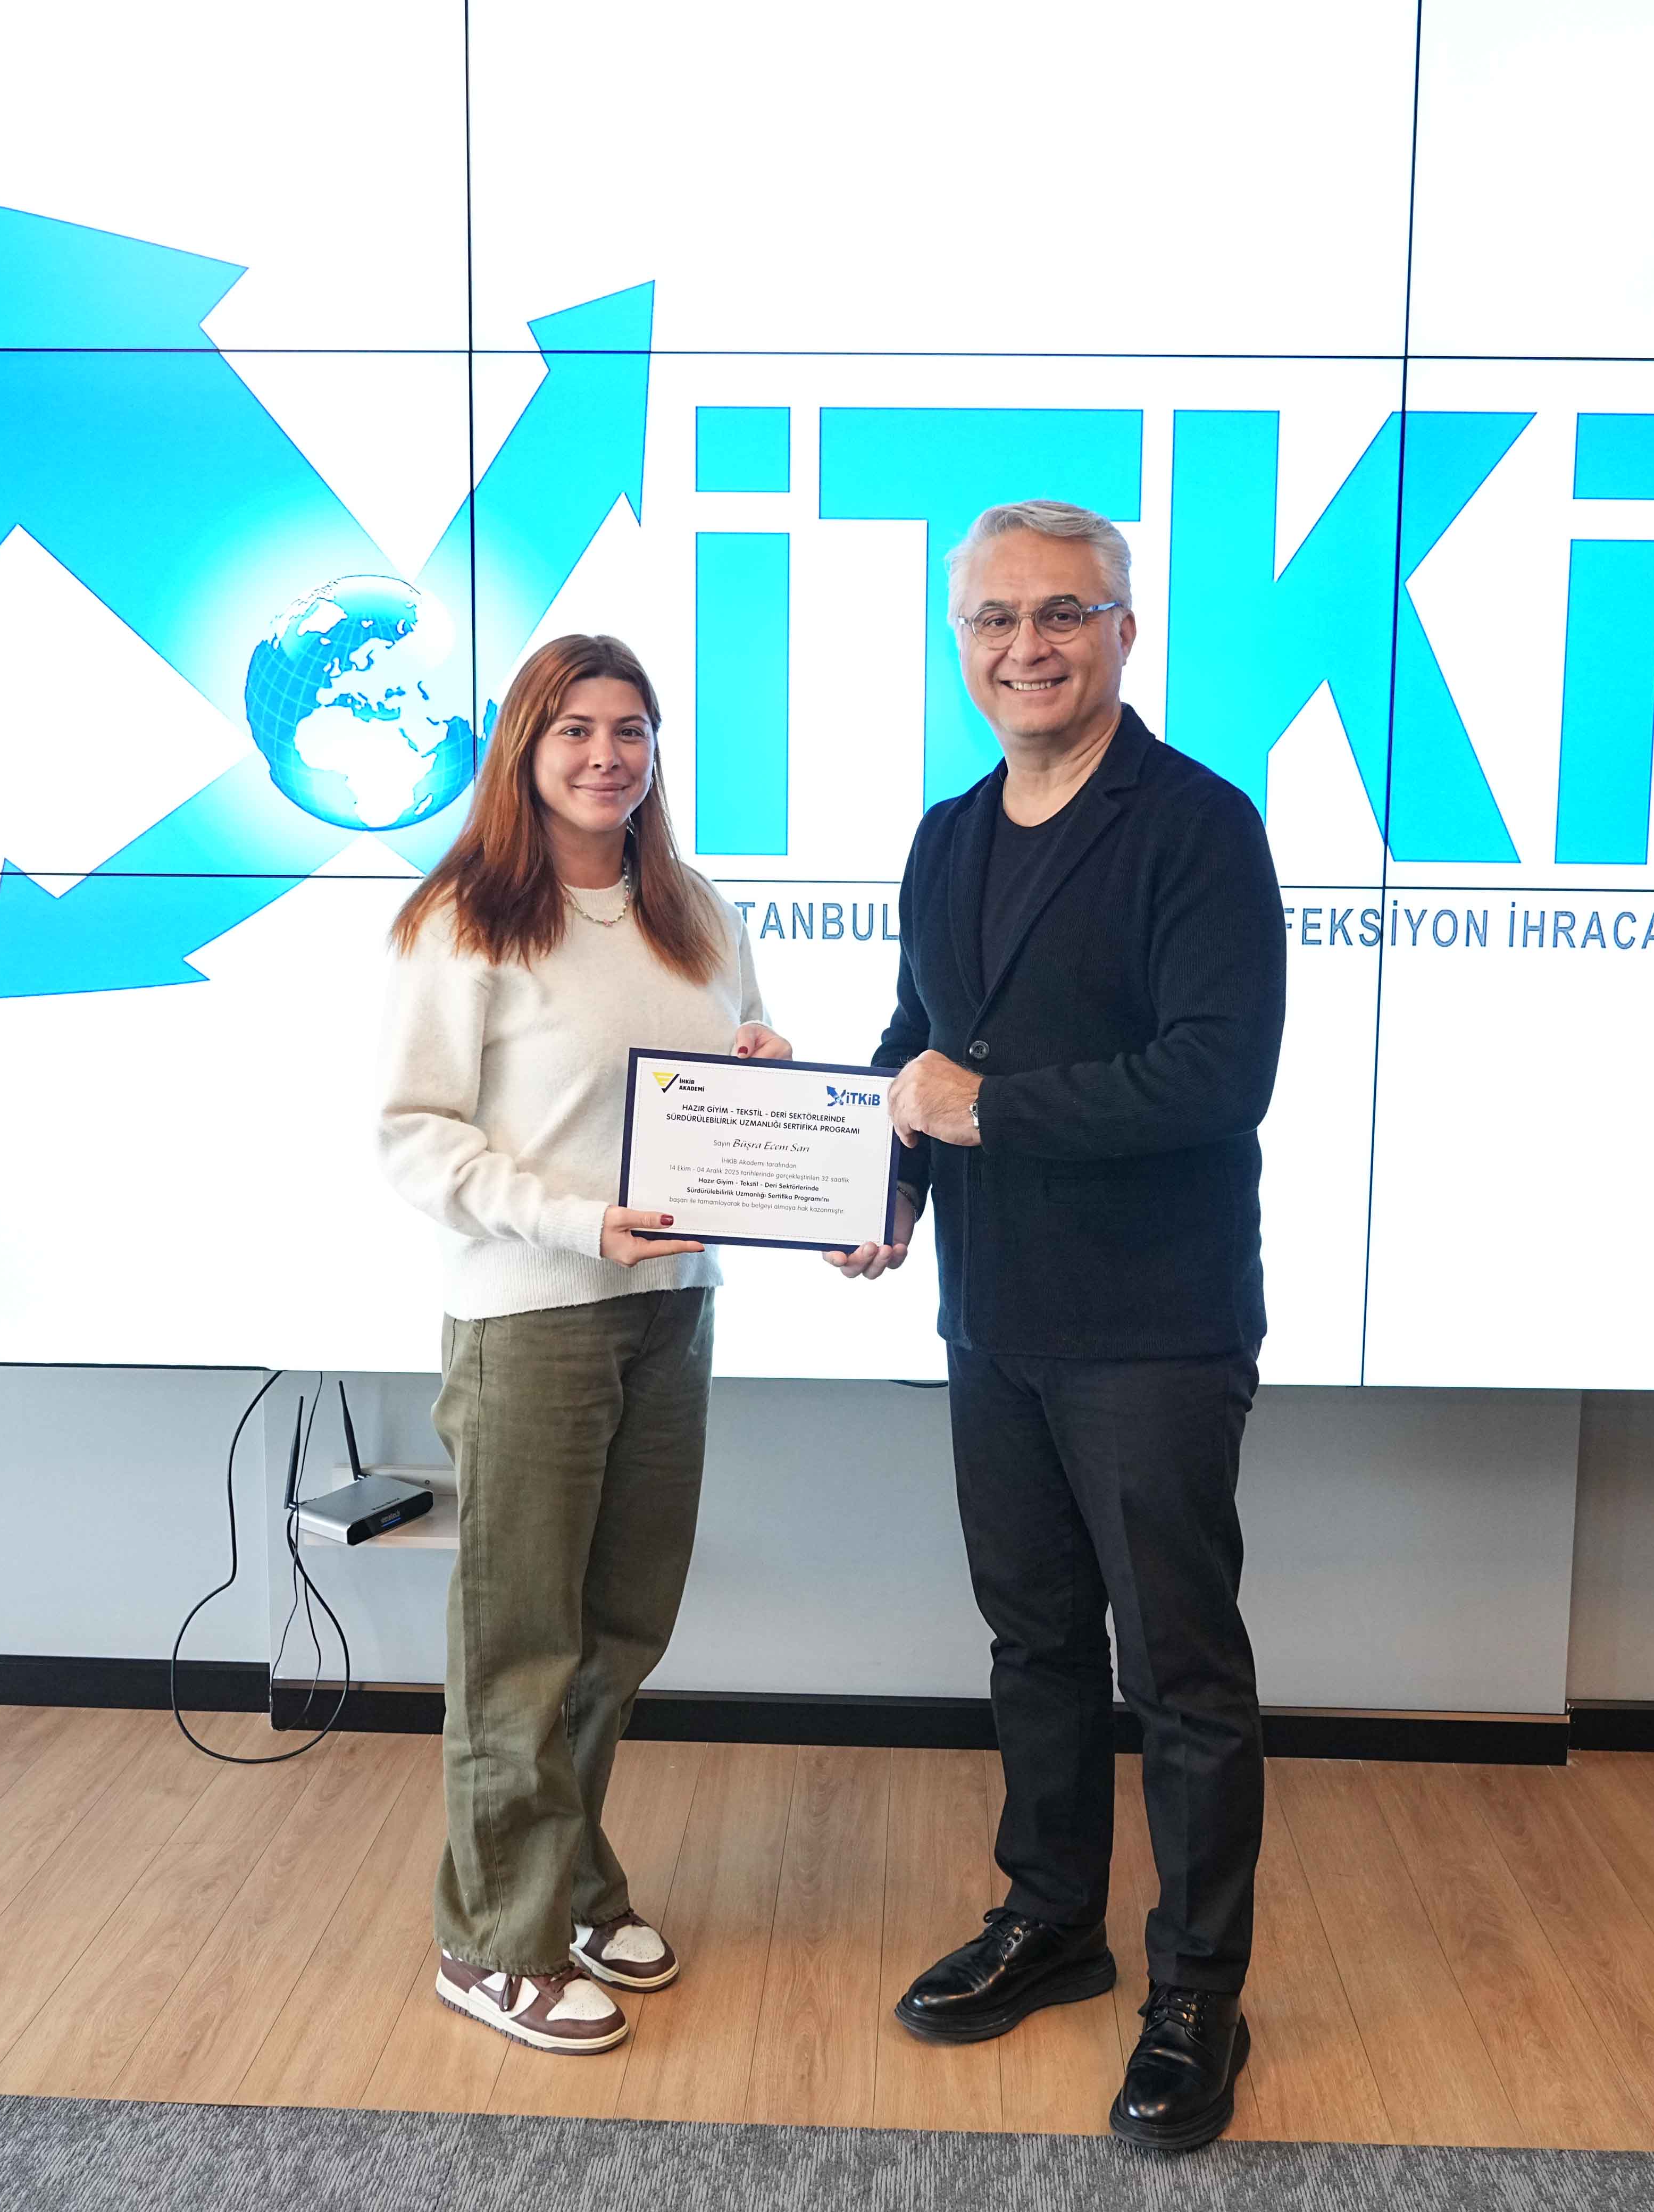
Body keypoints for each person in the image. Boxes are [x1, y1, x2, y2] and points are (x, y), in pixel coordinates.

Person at [826, 500, 1286, 2151]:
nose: (1026, 646)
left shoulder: (1199, 826)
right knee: (1032, 1644)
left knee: (1180, 1672)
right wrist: (878, 1186)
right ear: (962, 644)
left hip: (1153, 1328)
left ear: (1124, 633)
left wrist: (984, 1110)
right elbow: (919, 1043)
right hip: (995, 1317)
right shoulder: (950, 833)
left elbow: (1217, 1075)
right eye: (995, 620)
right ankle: (1055, 1919)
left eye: (1063, 614)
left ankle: (1200, 1993)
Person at [379, 632, 788, 2056]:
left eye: (631, 729)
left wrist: (768, 1080)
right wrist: (573, 1222)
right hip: (534, 1313)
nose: (607, 755)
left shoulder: (691, 909)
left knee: (619, 1628)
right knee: (523, 1644)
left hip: (672, 1308)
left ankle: (573, 1880)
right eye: (576, 729)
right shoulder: (467, 917)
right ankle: (492, 1942)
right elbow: (415, 1136)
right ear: (525, 748)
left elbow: (739, 1069)